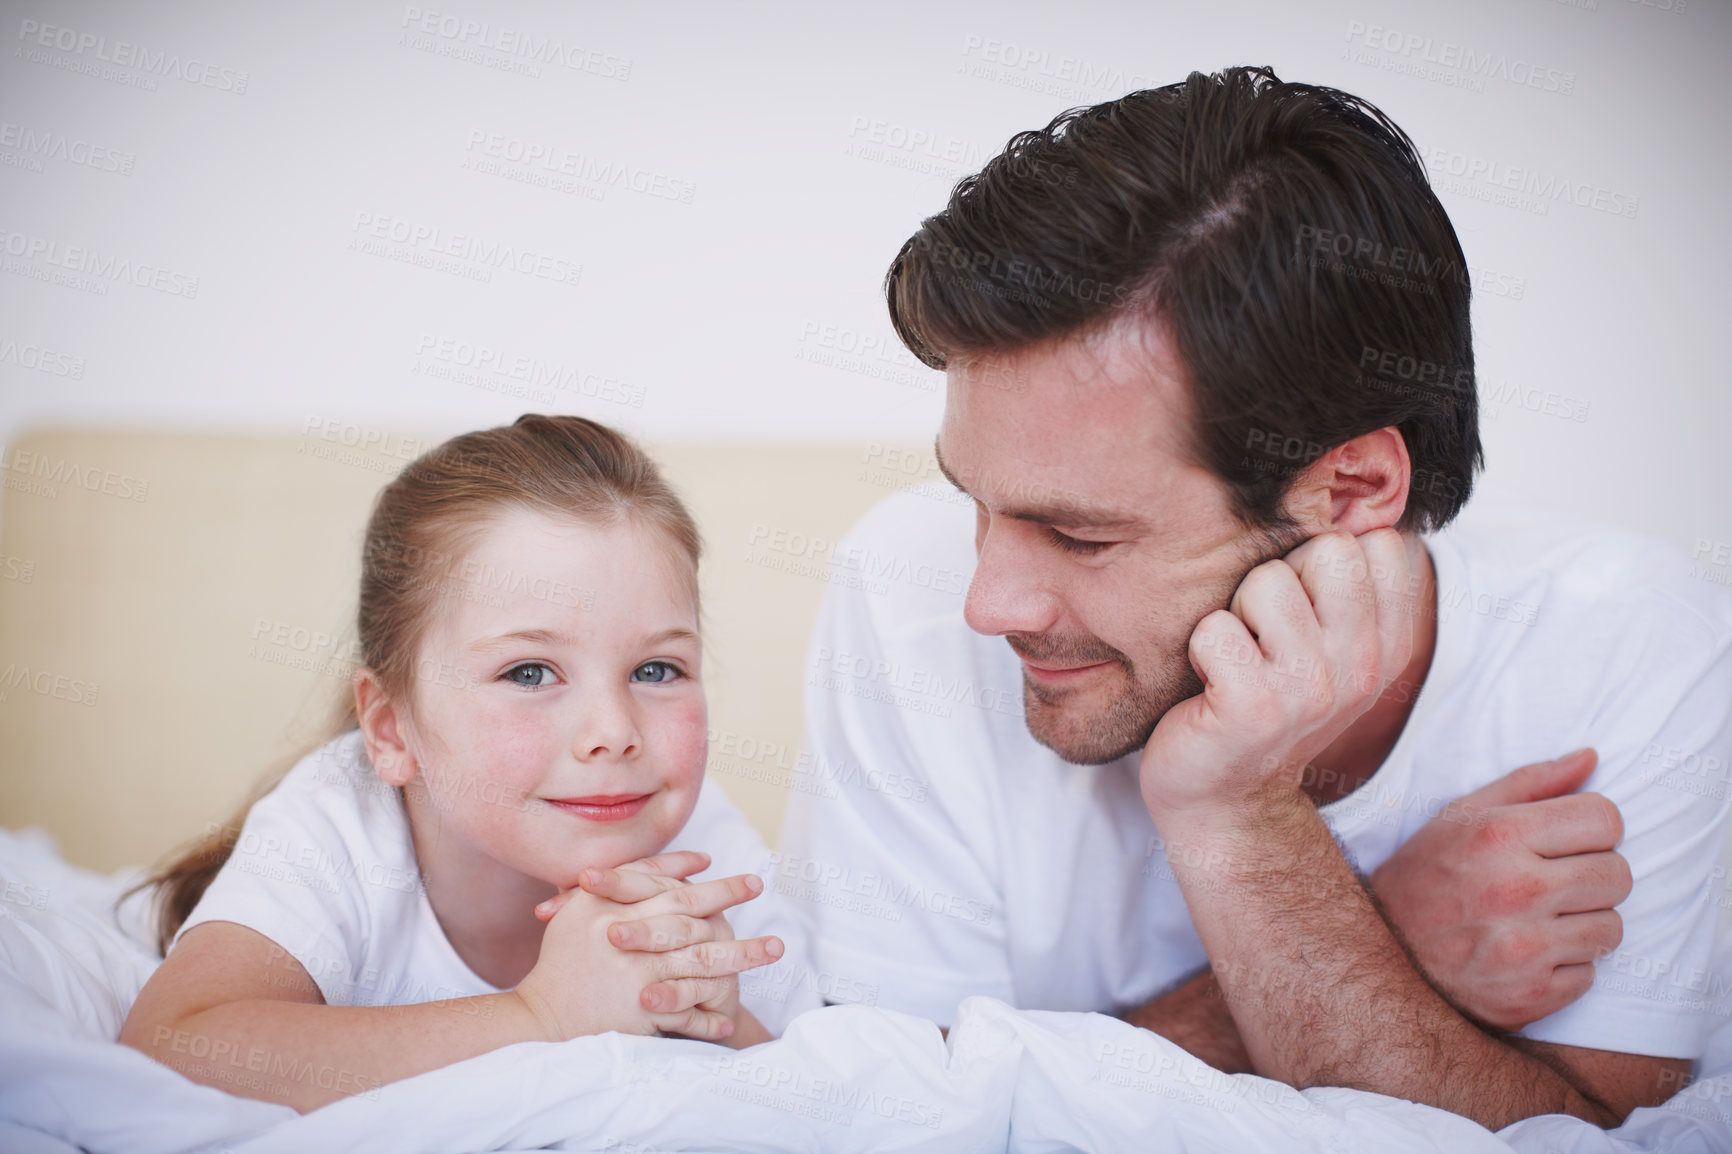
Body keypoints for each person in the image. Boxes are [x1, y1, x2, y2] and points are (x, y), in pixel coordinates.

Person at [780, 66, 1732, 1131]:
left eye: (1083, 533)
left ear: (1352, 489)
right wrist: (1366, 925)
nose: (988, 601)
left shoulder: (1630, 641)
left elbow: (1597, 1134)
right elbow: (891, 1121)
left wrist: (1235, 816)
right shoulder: (901, 587)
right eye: (973, 501)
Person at [120, 415, 818, 1112]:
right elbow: (170, 1047)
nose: (614, 734)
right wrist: (539, 1018)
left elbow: (814, 1099)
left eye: (657, 668)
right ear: (391, 730)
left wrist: (719, 1025)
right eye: (529, 674)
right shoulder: (337, 826)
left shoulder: (707, 852)